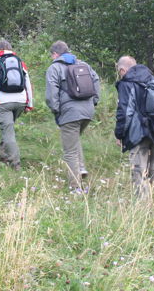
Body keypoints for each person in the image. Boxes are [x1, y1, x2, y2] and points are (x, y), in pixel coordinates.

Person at [114, 56, 154, 206]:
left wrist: (119, 133)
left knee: (138, 170)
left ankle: (143, 207)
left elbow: (125, 111)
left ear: (122, 70)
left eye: (119, 71)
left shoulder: (127, 83)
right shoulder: (153, 79)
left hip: (139, 133)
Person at [45, 40, 99, 192]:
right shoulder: (84, 65)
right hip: (87, 111)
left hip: (69, 113)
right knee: (74, 140)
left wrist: (56, 110)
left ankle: (75, 187)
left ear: (55, 54)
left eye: (52, 55)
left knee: (69, 151)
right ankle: (80, 168)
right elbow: (96, 81)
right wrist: (93, 102)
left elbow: (51, 94)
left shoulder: (54, 67)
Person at [0, 40, 34, 170]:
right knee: (8, 128)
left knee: (8, 133)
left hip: (3, 101)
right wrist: (29, 104)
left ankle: (15, 163)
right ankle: (3, 155)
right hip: (20, 101)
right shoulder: (19, 62)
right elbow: (27, 83)